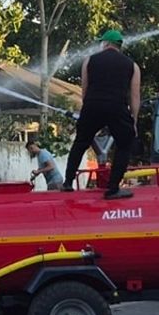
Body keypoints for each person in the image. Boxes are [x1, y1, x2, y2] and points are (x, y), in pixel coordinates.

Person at [63, 30, 141, 199]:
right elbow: (134, 97)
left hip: (92, 105)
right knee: (124, 144)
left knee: (81, 142)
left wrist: (89, 114)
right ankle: (113, 188)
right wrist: (133, 120)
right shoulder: (132, 65)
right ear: (119, 46)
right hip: (117, 107)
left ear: (105, 43)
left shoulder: (89, 61)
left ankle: (68, 183)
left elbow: (85, 91)